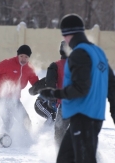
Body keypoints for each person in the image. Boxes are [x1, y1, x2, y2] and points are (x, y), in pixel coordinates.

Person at [40, 13, 115, 163]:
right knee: (64, 159)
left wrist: (55, 93)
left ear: (68, 34)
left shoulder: (78, 54)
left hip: (83, 118)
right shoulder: (98, 52)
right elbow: (112, 86)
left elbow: (81, 88)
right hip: (92, 117)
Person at [29, 41, 69, 146]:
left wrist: (33, 90)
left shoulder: (55, 66)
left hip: (64, 106)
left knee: (59, 133)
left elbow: (48, 84)